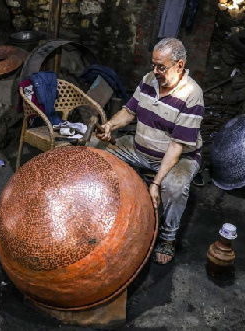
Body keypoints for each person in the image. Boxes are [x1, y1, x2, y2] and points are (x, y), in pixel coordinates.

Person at [97, 38, 204, 265]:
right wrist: (110, 126)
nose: (154, 71)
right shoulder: (149, 80)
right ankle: (108, 210)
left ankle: (167, 238)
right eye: (153, 65)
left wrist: (156, 182)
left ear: (179, 65)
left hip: (177, 158)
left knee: (173, 187)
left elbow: (177, 146)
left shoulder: (192, 94)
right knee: (99, 154)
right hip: (139, 150)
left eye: (161, 67)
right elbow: (129, 111)